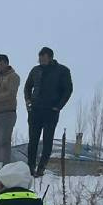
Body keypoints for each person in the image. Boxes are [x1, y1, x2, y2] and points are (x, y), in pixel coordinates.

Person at [23, 47, 73, 177]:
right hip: (35, 110)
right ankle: (30, 168)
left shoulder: (62, 71)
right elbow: (27, 86)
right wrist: (28, 100)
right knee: (33, 141)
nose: (41, 60)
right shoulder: (35, 70)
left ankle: (41, 168)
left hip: (51, 111)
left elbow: (68, 90)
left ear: (50, 57)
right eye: (39, 58)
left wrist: (58, 106)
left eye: (43, 58)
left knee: (47, 141)